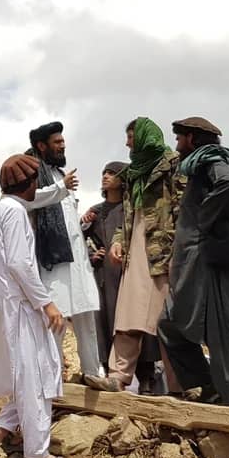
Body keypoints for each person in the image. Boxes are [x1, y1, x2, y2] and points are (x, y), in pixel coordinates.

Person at [0, 154, 72, 458]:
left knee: (27, 374)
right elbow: (20, 263)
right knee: (36, 378)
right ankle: (37, 455)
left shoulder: (2, 210)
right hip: (22, 305)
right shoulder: (16, 213)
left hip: (12, 304)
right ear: (29, 184)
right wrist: (45, 302)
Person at [157, 117, 229, 406]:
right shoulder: (202, 165)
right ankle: (207, 387)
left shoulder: (209, 160)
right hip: (200, 265)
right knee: (168, 324)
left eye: (179, 139)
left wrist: (203, 219)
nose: (177, 146)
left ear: (191, 138)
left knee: (224, 339)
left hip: (214, 265)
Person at [88, 118, 185, 394]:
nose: (127, 143)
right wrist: (119, 241)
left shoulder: (172, 166)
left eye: (131, 137)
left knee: (167, 322)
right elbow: (129, 217)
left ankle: (179, 387)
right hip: (137, 250)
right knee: (128, 315)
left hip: (164, 252)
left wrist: (180, 249)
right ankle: (118, 376)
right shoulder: (134, 175)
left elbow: (183, 209)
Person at [25, 122, 103, 379]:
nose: (62, 145)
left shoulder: (59, 175)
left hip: (77, 263)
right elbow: (30, 199)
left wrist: (84, 222)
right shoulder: (34, 172)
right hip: (53, 263)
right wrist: (61, 188)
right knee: (55, 321)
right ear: (41, 146)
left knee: (85, 319)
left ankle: (93, 374)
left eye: (62, 141)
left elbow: (67, 220)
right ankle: (52, 379)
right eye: (57, 142)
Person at [84, 161, 127, 368]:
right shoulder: (95, 212)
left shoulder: (131, 208)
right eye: (104, 172)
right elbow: (78, 241)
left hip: (127, 272)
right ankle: (107, 368)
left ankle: (146, 376)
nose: (105, 176)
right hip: (103, 275)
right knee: (103, 321)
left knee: (128, 320)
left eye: (112, 173)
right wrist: (93, 254)